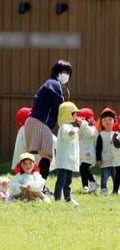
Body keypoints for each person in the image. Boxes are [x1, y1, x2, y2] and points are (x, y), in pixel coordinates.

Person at [24, 60, 71, 188]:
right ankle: (40, 187)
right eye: (63, 71)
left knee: (36, 157)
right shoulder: (54, 83)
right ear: (57, 72)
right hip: (40, 122)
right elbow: (59, 104)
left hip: (34, 121)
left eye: (68, 72)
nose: (66, 75)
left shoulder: (51, 83)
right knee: (47, 155)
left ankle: (31, 186)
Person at [54, 102, 83, 206]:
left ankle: (68, 198)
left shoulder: (69, 126)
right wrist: (76, 129)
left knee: (68, 180)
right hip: (64, 160)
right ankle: (57, 199)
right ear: (68, 114)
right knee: (61, 181)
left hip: (68, 160)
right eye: (74, 113)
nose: (76, 116)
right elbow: (68, 135)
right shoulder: (65, 126)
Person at [95, 108, 117, 195]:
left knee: (115, 176)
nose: (107, 122)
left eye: (110, 119)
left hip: (115, 160)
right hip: (105, 161)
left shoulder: (116, 134)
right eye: (104, 120)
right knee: (104, 177)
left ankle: (116, 189)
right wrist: (99, 159)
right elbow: (98, 148)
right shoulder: (101, 135)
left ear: (114, 121)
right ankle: (103, 189)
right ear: (101, 122)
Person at [77, 108, 98, 194]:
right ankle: (93, 183)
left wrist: (83, 124)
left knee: (83, 168)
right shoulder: (79, 130)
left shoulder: (93, 128)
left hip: (90, 153)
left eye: (83, 119)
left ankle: (85, 186)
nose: (79, 122)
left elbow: (91, 134)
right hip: (82, 154)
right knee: (84, 169)